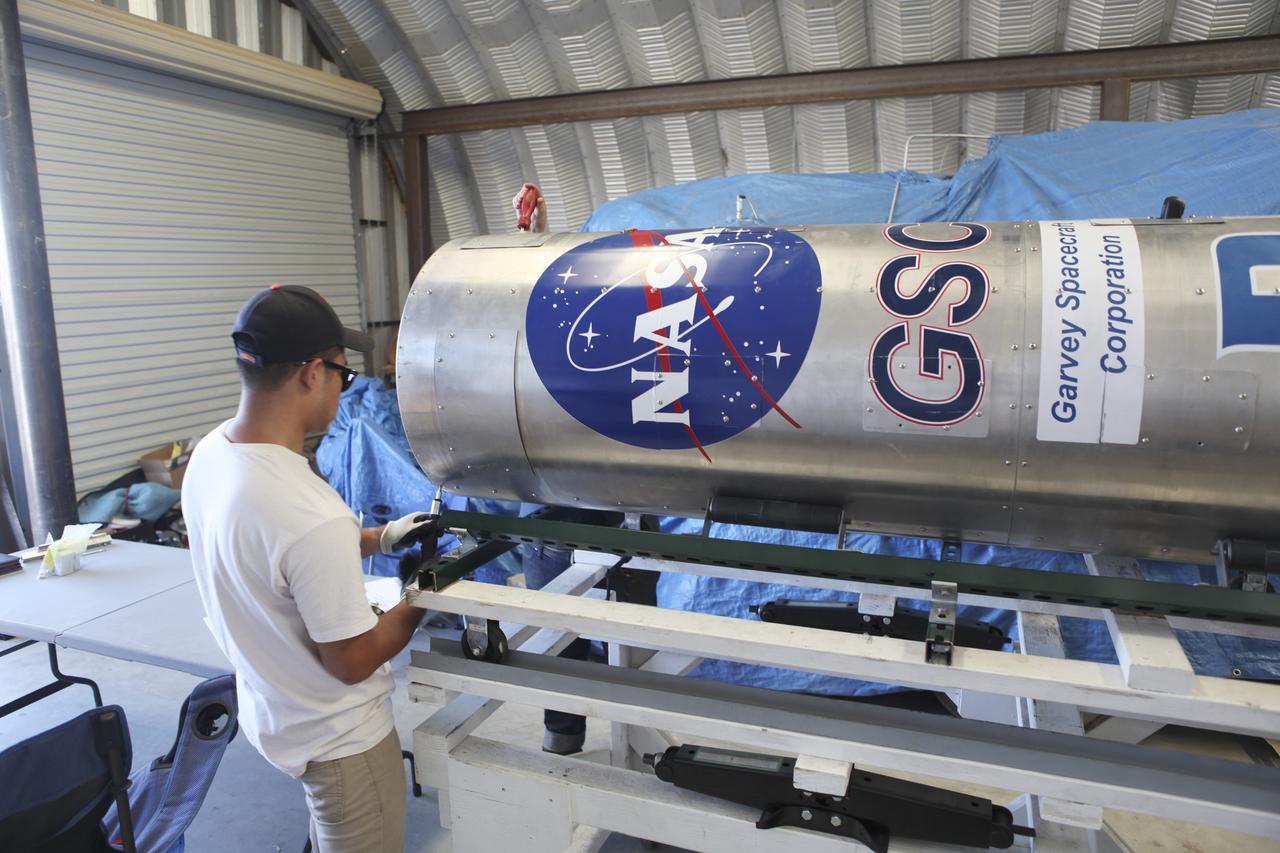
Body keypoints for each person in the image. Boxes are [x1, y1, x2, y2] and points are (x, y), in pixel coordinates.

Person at [183, 284, 436, 852]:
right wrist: (422, 595)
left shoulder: (211, 455)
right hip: (342, 739)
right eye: (344, 375)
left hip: (276, 710)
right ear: (310, 374)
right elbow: (350, 659)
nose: (345, 390)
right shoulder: (307, 510)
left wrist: (377, 537)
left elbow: (274, 556)